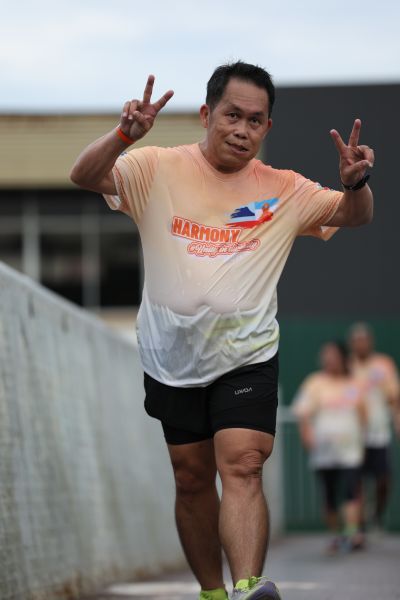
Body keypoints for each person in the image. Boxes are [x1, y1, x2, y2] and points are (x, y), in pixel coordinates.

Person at [70, 61, 374, 600]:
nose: (242, 130)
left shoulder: (285, 189)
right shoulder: (156, 167)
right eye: (232, 115)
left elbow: (355, 216)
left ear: (267, 128)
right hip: (170, 356)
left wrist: (357, 184)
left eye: (255, 121)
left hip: (247, 354)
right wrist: (123, 136)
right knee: (191, 479)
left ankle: (248, 587)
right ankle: (212, 592)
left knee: (244, 465)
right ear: (207, 114)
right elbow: (85, 176)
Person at [293, 341, 367, 554]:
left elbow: (364, 415)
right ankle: (336, 534)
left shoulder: (354, 384)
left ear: (343, 358)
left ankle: (352, 533)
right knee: (330, 494)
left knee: (352, 489)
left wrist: (361, 439)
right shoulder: (314, 383)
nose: (329, 359)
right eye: (326, 355)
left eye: (333, 355)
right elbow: (303, 413)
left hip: (350, 449)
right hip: (324, 451)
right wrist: (307, 436)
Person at [348, 322, 400, 531]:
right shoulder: (347, 366)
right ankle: (358, 524)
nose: (361, 344)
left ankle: (376, 514)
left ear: (371, 342)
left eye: (364, 340)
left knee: (383, 479)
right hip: (353, 434)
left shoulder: (383, 364)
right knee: (356, 480)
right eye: (357, 341)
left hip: (378, 432)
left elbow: (394, 397)